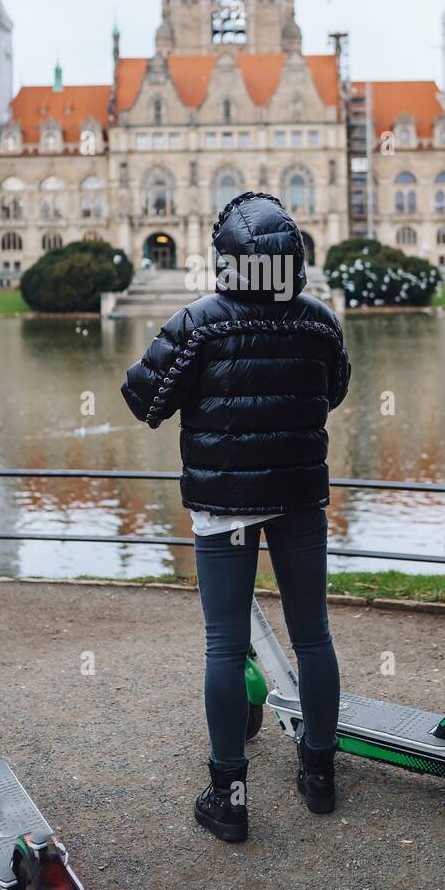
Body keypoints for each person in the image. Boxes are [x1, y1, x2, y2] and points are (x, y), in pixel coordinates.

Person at [121, 191, 350, 843]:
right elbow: (331, 391)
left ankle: (230, 796)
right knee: (314, 637)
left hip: (226, 503)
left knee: (224, 644)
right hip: (300, 495)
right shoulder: (320, 321)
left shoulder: (200, 322)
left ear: (229, 259)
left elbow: (144, 400)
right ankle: (320, 777)